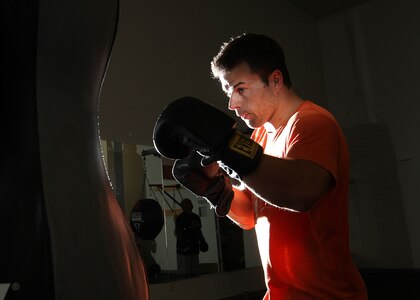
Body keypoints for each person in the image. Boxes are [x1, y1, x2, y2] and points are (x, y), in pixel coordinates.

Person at [153, 32, 369, 299]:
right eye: (227, 91)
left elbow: (303, 192)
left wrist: (229, 149)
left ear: (275, 80)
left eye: (240, 88)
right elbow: (252, 215)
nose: (232, 103)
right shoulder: (259, 137)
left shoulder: (312, 123)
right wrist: (216, 189)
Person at [174, 198, 207, 277]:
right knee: (185, 270)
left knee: (194, 269)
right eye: (188, 202)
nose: (191, 204)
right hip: (184, 248)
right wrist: (183, 245)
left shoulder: (196, 217)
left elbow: (198, 230)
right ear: (184, 206)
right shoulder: (180, 218)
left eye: (190, 202)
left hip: (194, 246)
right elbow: (178, 232)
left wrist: (202, 240)